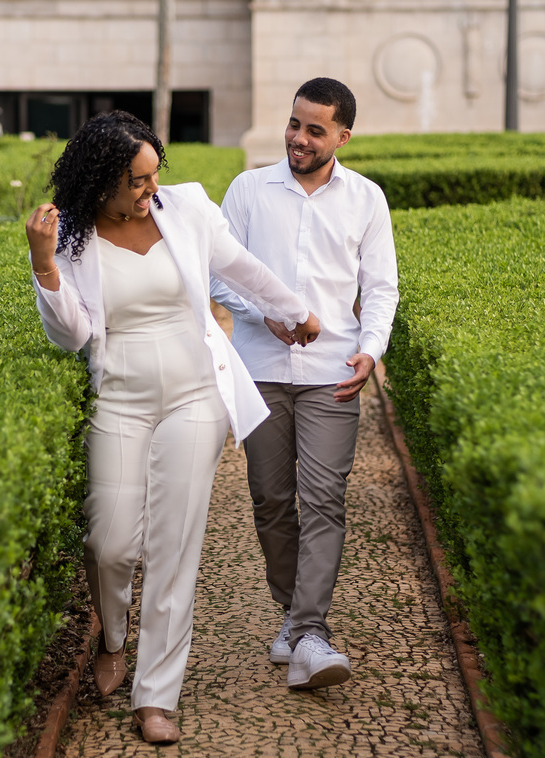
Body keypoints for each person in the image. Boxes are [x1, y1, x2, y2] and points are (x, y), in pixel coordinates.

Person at [26, 110, 320, 743]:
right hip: (120, 399)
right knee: (110, 543)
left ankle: (156, 695)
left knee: (174, 543)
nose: (150, 189)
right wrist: (44, 266)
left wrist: (295, 311)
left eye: (153, 174)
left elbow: (241, 268)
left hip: (195, 395)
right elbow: (71, 335)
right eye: (136, 181)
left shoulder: (184, 209)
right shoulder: (71, 238)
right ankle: (112, 636)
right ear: (100, 182)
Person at [210, 77, 398, 690]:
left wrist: (371, 350)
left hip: (332, 375)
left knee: (323, 499)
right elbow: (215, 272)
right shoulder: (248, 190)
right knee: (269, 499)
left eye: (316, 130)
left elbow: (381, 287)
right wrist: (263, 312)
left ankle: (311, 631)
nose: (299, 138)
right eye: (295, 124)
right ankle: (294, 616)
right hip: (261, 371)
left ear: (343, 136)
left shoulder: (367, 199)